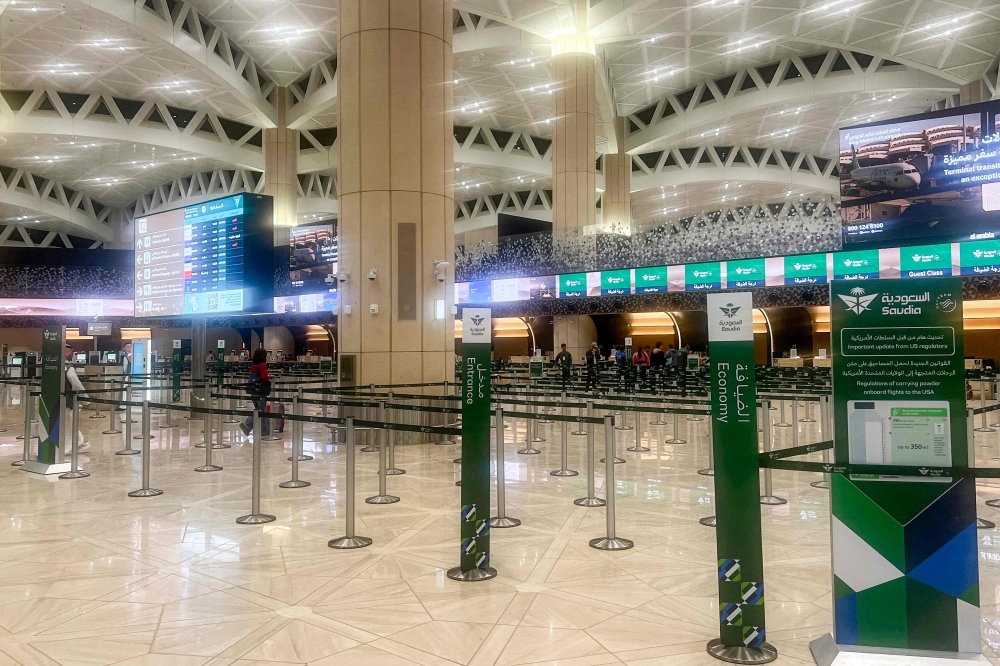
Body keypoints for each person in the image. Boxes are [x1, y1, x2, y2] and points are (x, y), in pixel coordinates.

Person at [63, 344, 90, 454]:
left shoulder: (49, 366)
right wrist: (86, 400)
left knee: (68, 424)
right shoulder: (68, 368)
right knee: (69, 424)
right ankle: (69, 448)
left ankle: (79, 443)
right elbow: (76, 384)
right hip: (67, 401)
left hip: (52, 401)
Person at [240, 348, 271, 438]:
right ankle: (247, 425)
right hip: (260, 390)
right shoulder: (262, 364)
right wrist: (269, 379)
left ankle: (264, 430)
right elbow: (264, 376)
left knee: (261, 409)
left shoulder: (254, 365)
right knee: (261, 410)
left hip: (252, 390)